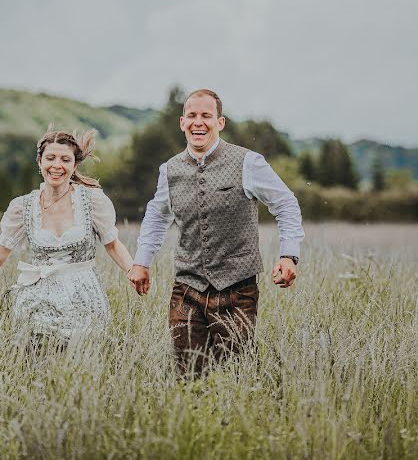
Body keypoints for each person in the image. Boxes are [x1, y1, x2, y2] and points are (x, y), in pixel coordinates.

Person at [127, 89, 304, 375]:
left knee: (236, 373)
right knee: (188, 375)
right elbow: (156, 218)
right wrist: (141, 262)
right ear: (182, 122)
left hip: (236, 288)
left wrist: (289, 255)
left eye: (206, 116)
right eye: (193, 116)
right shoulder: (169, 170)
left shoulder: (248, 162)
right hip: (186, 288)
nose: (199, 122)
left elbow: (285, 203)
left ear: (220, 122)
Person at [0, 129, 136, 342]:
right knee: (35, 357)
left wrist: (133, 270)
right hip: (37, 298)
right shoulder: (23, 206)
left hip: (83, 299)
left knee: (77, 363)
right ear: (39, 162)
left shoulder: (91, 201)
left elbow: (112, 244)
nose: (57, 165)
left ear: (74, 166)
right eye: (50, 158)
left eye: (65, 159)